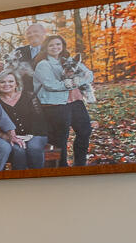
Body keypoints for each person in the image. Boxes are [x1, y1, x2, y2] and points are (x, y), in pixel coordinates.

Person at [33, 33, 96, 166]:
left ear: (63, 46)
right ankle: (61, 167)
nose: (55, 47)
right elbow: (50, 85)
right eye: (51, 45)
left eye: (58, 44)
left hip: (75, 101)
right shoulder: (43, 64)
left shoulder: (69, 60)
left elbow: (89, 75)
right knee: (60, 138)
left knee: (85, 130)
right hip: (55, 104)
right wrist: (73, 83)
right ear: (45, 47)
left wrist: (79, 81)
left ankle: (80, 164)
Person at [0, 70, 51, 169]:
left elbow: (39, 119)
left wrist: (30, 135)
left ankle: (38, 178)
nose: (7, 84)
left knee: (33, 147)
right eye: (2, 82)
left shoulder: (29, 96)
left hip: (36, 134)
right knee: (19, 150)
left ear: (16, 83)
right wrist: (8, 136)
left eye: (10, 81)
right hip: (11, 137)